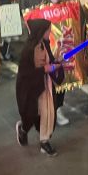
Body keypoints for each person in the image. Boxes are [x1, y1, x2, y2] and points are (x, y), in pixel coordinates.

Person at [15, 19, 64, 156]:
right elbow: (25, 73)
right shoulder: (28, 50)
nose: (50, 33)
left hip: (45, 87)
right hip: (32, 89)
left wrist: (57, 60)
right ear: (41, 32)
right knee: (31, 115)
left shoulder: (45, 44)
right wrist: (45, 69)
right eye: (48, 30)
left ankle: (44, 142)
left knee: (48, 113)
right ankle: (23, 129)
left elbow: (50, 63)